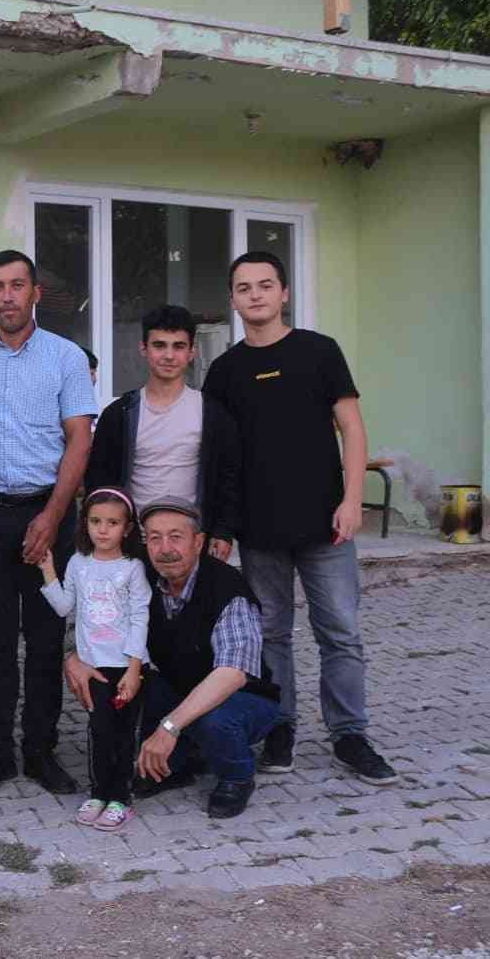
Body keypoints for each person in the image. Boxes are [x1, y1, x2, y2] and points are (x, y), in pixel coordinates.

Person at [201, 252, 396, 784]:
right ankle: (279, 728)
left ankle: (350, 735)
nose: (256, 295)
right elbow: (219, 457)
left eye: (265, 285)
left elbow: (352, 428)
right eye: (244, 287)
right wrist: (220, 527)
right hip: (259, 529)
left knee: (341, 633)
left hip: (327, 525)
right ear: (233, 299)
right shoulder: (224, 371)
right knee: (271, 635)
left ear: (284, 293)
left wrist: (353, 499)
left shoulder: (319, 351)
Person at [0, 250, 98, 797]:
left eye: (17, 285)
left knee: (48, 639)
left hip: (49, 512)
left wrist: (52, 515)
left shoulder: (65, 357)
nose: (7, 295)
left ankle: (41, 751)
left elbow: (80, 439)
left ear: (35, 293)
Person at [67, 498, 281, 819]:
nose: (165, 548)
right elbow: (104, 623)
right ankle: (176, 766)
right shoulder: (141, 576)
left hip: (243, 698)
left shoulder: (227, 587)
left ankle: (237, 776)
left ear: (199, 542)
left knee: (215, 719)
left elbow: (233, 673)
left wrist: (169, 726)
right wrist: (75, 657)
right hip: (180, 688)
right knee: (126, 686)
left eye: (176, 537)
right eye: (155, 538)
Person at [86, 305, 241, 560]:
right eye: (159, 345)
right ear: (143, 349)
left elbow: (228, 477)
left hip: (192, 542)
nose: (169, 355)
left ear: (192, 352)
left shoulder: (213, 413)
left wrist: (223, 531)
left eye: (178, 346)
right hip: (132, 543)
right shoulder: (119, 414)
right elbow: (99, 478)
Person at [38, 488, 150, 832]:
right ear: (85, 524)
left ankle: (121, 799)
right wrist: (48, 571)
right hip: (93, 667)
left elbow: (140, 617)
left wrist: (134, 667)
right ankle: (99, 793)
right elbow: (64, 607)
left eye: (112, 523)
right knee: (100, 730)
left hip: (127, 667)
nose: (103, 530)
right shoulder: (78, 563)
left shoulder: (132, 568)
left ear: (127, 529)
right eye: (95, 521)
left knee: (124, 733)